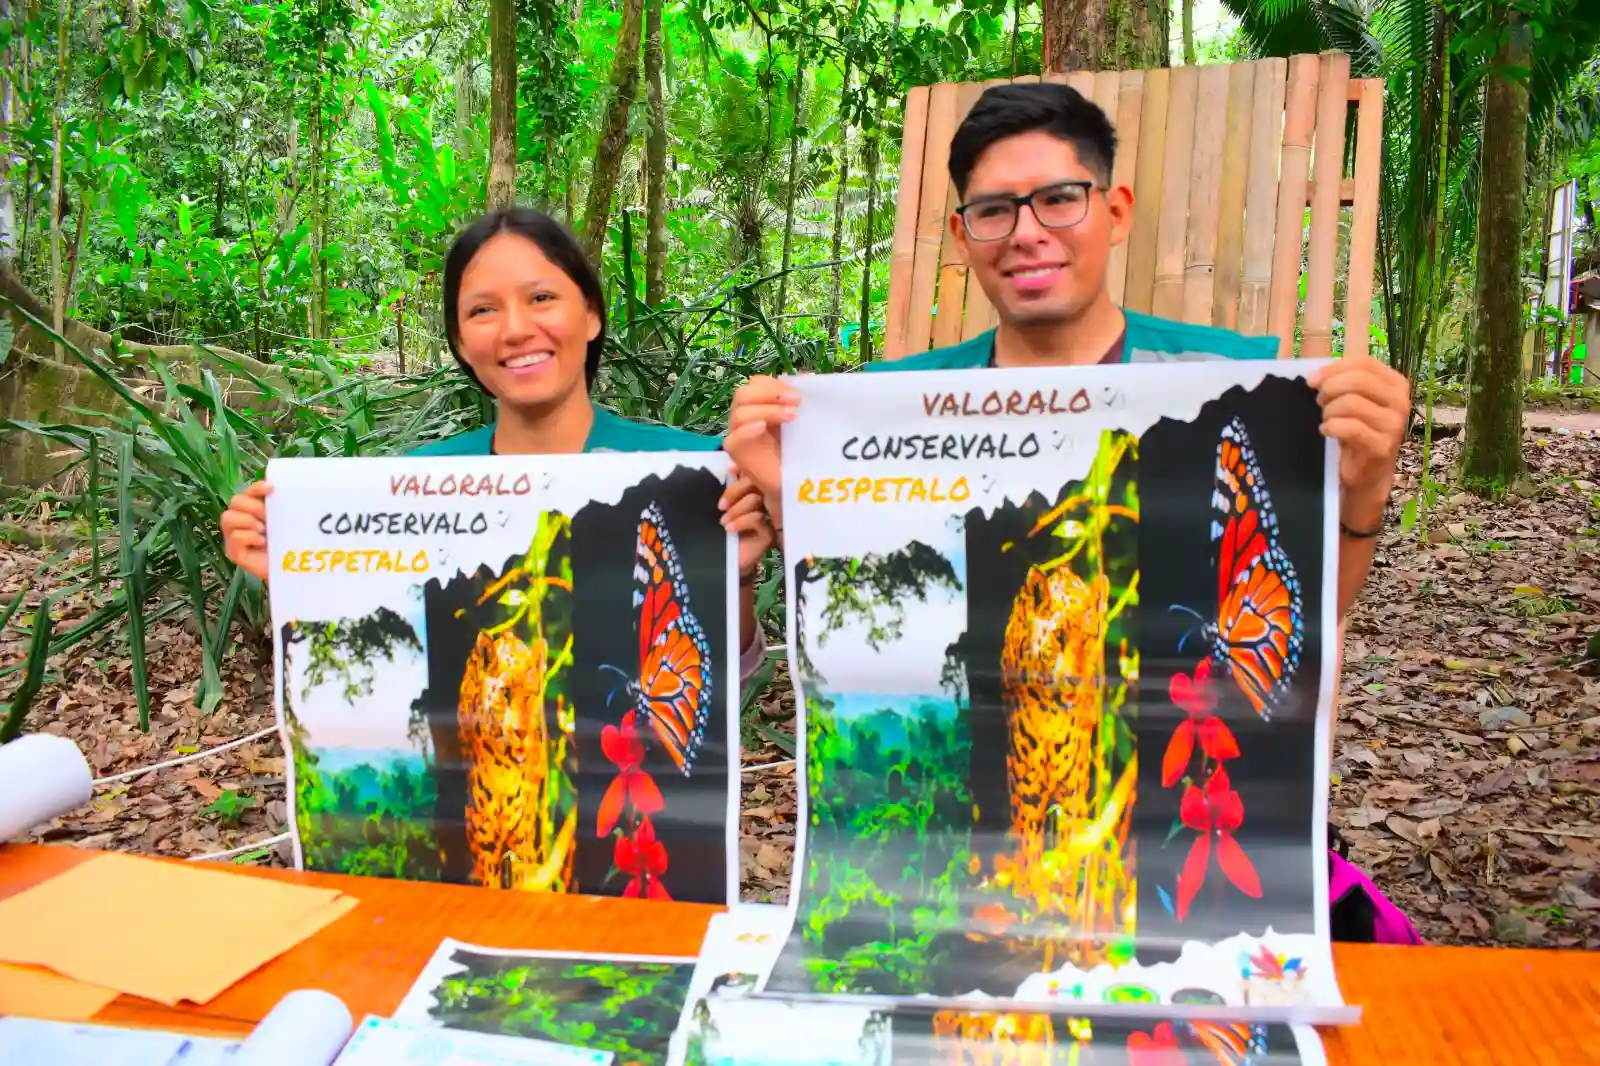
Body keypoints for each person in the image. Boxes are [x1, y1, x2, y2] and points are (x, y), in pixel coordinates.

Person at [723, 83, 1421, 945]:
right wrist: (796, 501)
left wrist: (1361, 491)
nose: (1027, 232)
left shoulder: (1229, 389)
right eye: (994, 210)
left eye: (1058, 199)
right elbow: (880, 637)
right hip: (986, 840)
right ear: (961, 234)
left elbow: (1297, 629)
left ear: (1115, 210)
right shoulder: (896, 410)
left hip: (1185, 833)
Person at [222, 206, 773, 680]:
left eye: (541, 297)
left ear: (591, 315)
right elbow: (380, 669)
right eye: (483, 310)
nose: (514, 329)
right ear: (461, 341)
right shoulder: (414, 487)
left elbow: (718, 675)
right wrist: (297, 577)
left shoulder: (683, 473)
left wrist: (736, 575)